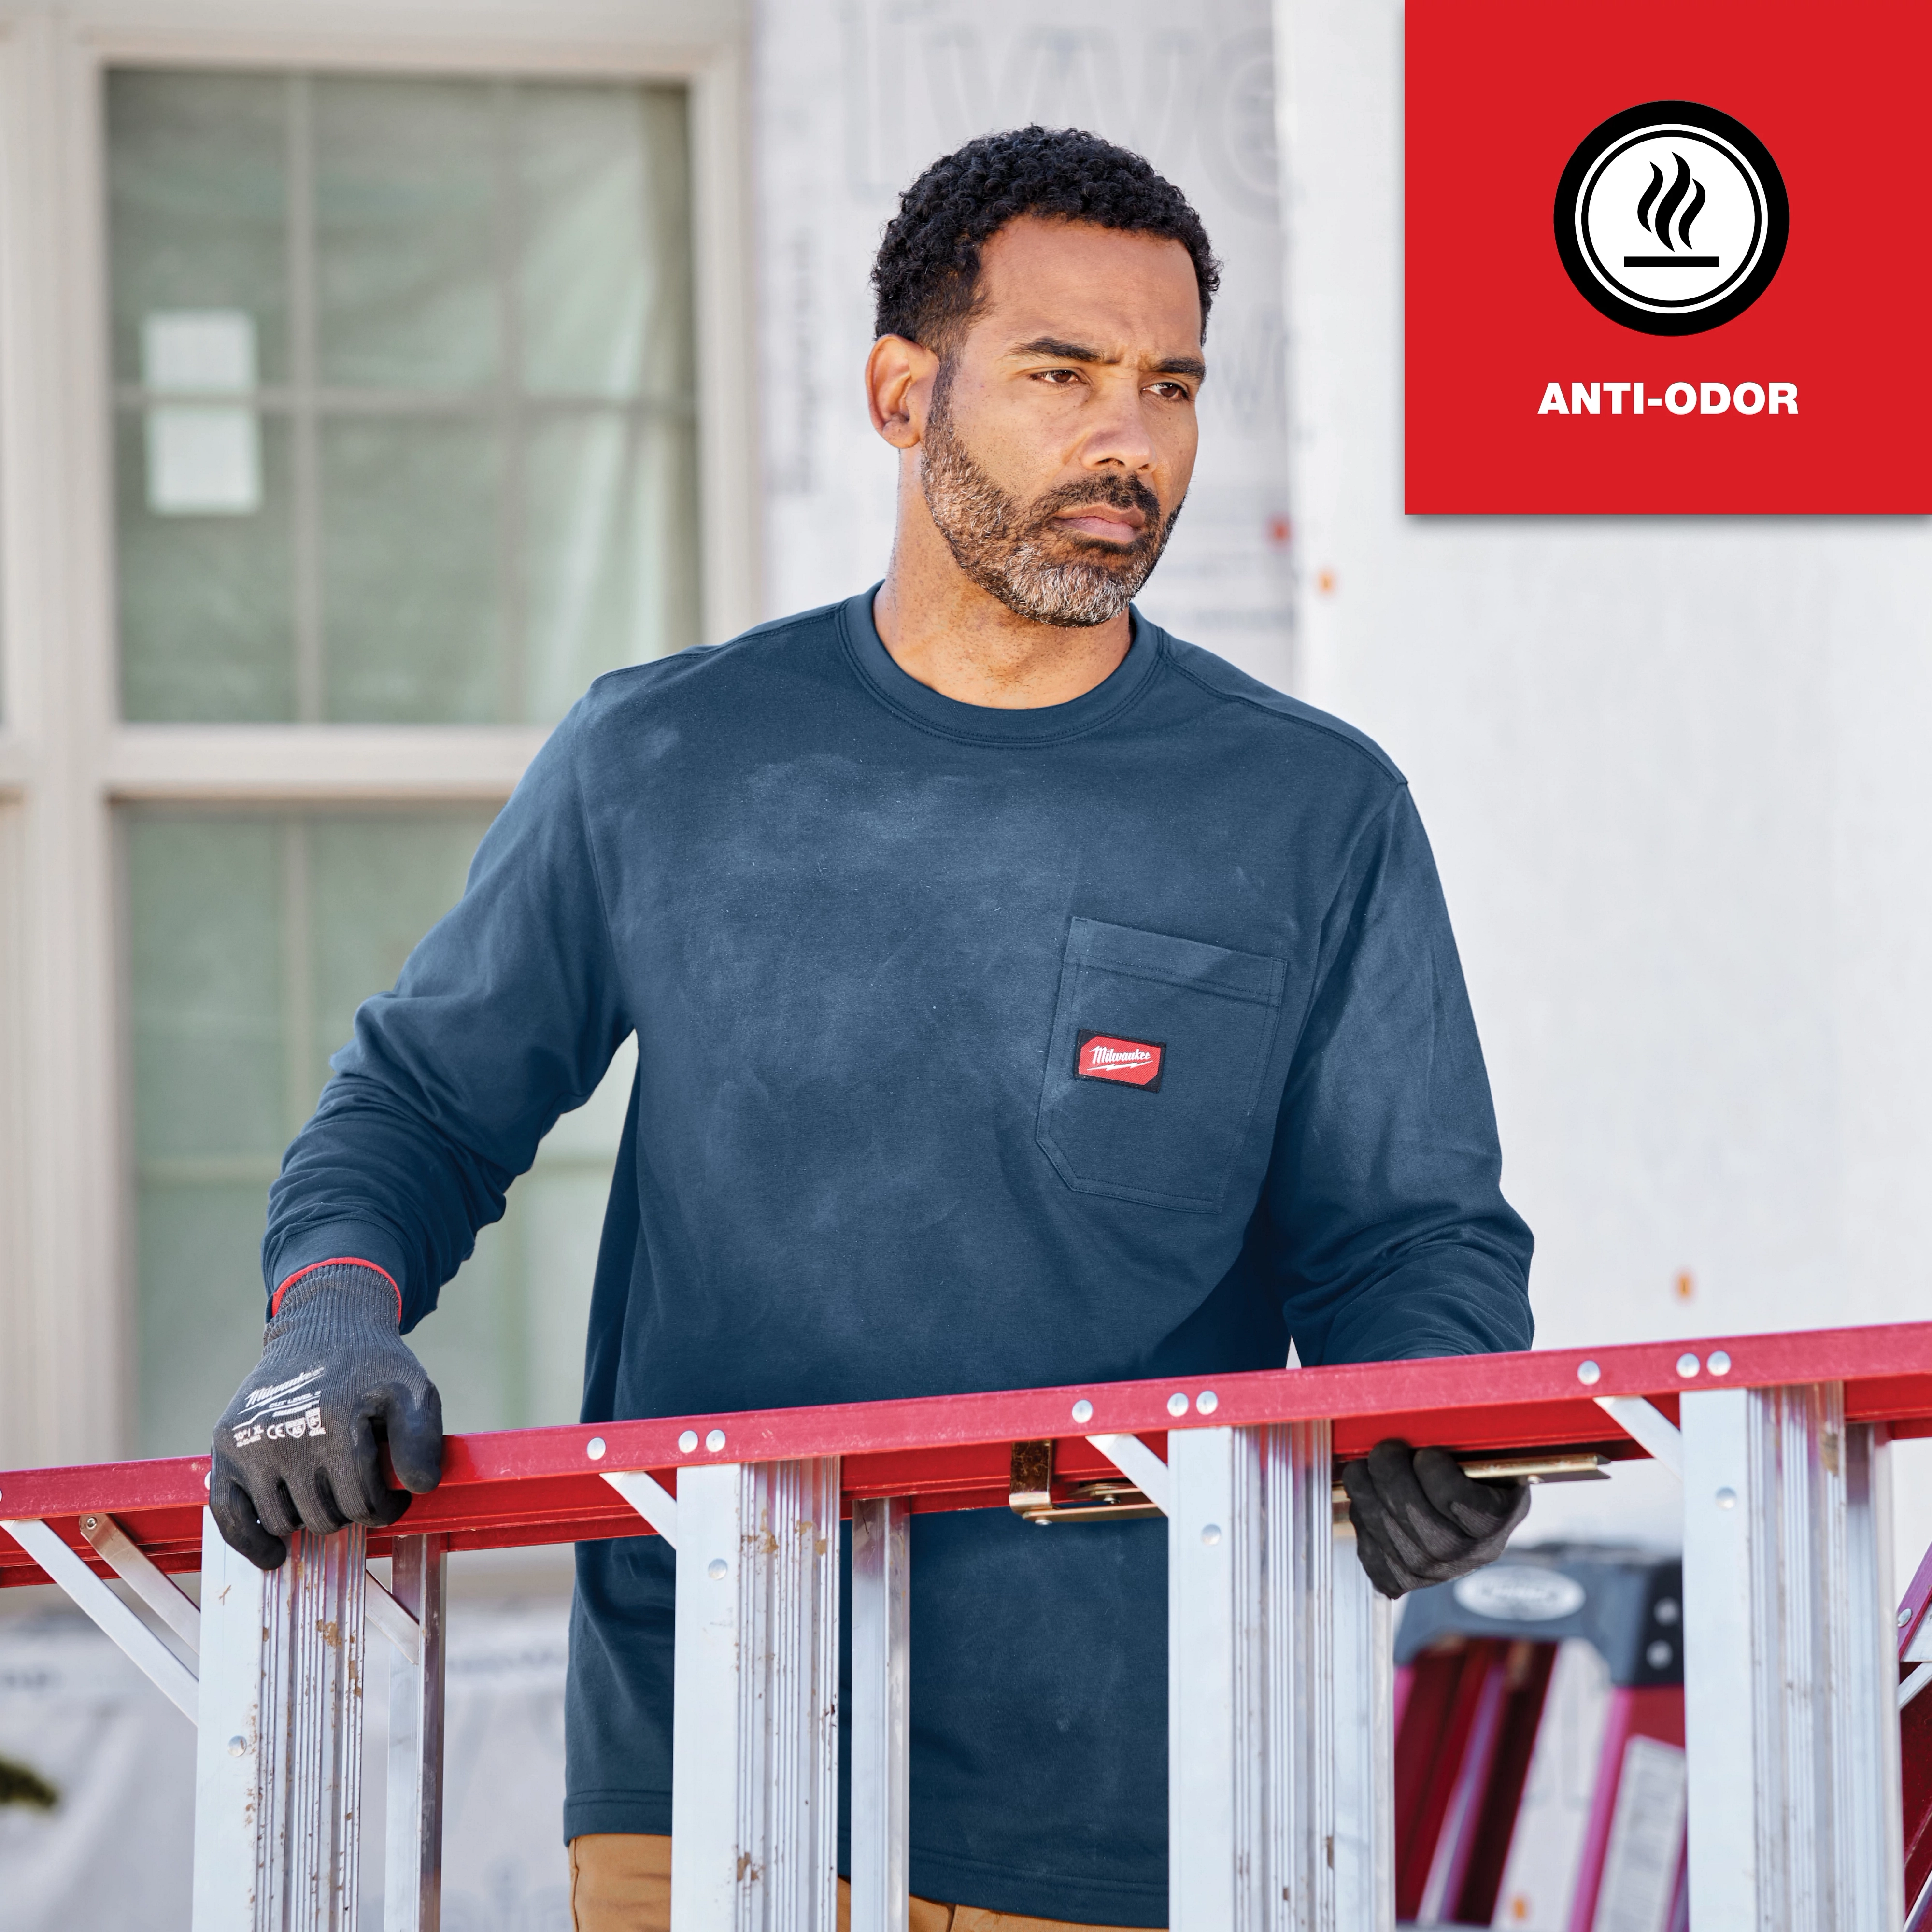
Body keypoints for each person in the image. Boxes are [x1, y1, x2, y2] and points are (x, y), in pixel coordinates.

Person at [210, 127, 1534, 1932]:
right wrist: (335, 1318)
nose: (1128, 441)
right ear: (904, 390)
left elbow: (1411, 1241)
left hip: (1136, 1801)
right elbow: (423, 1106)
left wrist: (1435, 1420)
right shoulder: (664, 757)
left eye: (1168, 386)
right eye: (1062, 374)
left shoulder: (1313, 811)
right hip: (710, 1772)